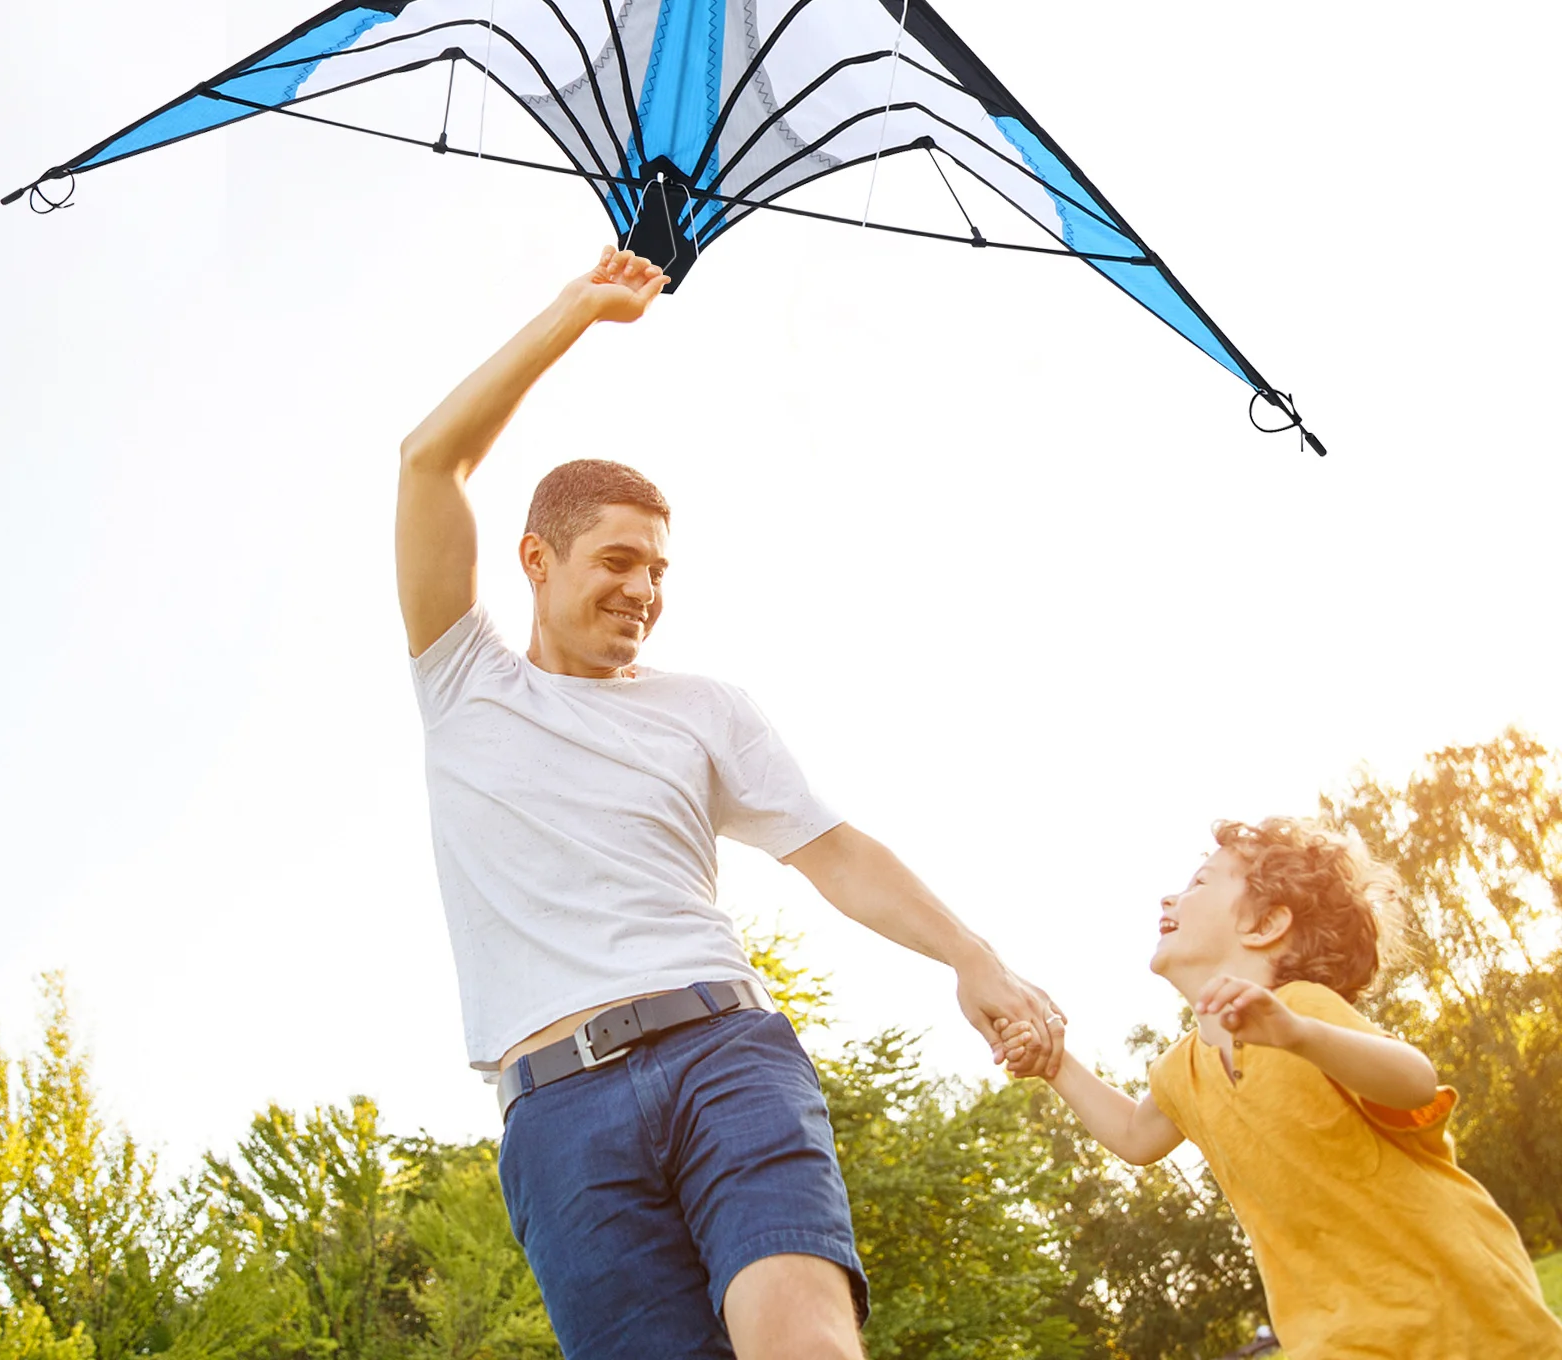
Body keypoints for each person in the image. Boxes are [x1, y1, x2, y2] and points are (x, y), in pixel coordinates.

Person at [395, 246, 1066, 1360]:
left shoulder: (704, 707)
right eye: (617, 561)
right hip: (558, 1118)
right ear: (536, 559)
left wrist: (971, 956)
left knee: (799, 1340)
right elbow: (427, 463)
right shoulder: (463, 683)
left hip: (722, 1054)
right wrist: (576, 312)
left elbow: (834, 852)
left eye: (660, 568)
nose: (643, 590)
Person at [997, 816, 1562, 1359]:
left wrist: (1299, 1036)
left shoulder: (1304, 1014)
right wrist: (1056, 1064)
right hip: (1333, 1335)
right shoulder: (1182, 1069)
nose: (1168, 899)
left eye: (1198, 883)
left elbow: (1414, 1082)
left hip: (1461, 1306)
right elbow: (1133, 1137)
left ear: (1265, 925)